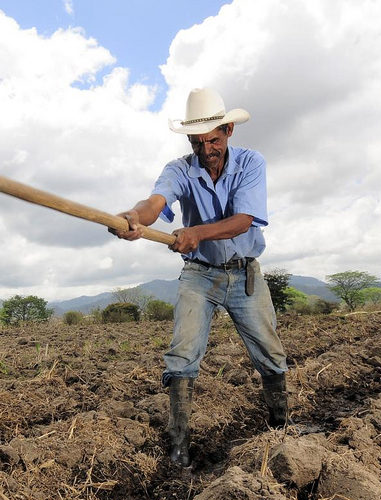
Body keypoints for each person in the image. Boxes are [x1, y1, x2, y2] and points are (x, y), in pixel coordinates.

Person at [111, 87, 289, 468]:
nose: (206, 148)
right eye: (198, 141)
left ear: (228, 131)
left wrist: (197, 233)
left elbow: (244, 220)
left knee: (270, 353)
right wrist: (134, 218)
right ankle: (179, 446)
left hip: (244, 275)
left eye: (213, 139)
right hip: (199, 275)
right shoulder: (179, 169)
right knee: (182, 353)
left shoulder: (251, 163)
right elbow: (155, 203)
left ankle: (280, 425)